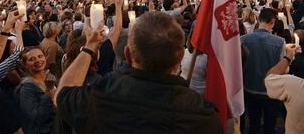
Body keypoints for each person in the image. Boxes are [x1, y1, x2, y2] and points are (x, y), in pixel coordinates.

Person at [55, 11, 222, 133]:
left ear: (128, 55)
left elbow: (62, 94)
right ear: (180, 60)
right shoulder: (204, 117)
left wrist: (89, 47)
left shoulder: (101, 95)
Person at [240, 8, 285, 134]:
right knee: (270, 125)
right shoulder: (280, 42)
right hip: (271, 91)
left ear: (259, 20)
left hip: (250, 88)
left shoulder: (243, 40)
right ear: (273, 22)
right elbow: (283, 69)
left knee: (253, 123)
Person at [14, 47, 56, 134]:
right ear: (25, 64)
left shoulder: (49, 77)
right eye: (32, 59)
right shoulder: (26, 88)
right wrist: (48, 92)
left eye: (40, 56)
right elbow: (35, 118)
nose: (37, 60)